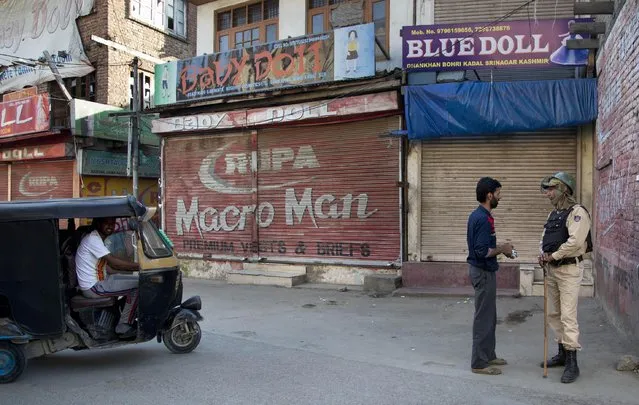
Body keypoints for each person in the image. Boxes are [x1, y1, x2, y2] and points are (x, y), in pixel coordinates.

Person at [538, 172, 591, 384]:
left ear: (564, 190)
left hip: (569, 270)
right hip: (552, 270)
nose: (548, 193)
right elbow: (544, 238)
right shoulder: (553, 214)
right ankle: (561, 353)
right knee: (553, 313)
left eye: (551, 189)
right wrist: (542, 254)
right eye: (547, 189)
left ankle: (572, 362)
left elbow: (575, 243)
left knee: (568, 316)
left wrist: (554, 255)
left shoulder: (577, 213)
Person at [466, 177, 515, 375]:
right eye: (498, 193)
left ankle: (489, 354)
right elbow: (481, 252)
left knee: (490, 317)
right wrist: (502, 249)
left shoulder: (481, 216)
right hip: (483, 272)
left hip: (486, 271)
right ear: (489, 195)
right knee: (483, 319)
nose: (500, 197)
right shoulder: (482, 218)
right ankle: (479, 362)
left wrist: (500, 248)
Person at [75, 217, 140, 337]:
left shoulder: (98, 239)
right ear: (99, 223)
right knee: (139, 286)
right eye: (106, 223)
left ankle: (121, 316)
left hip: (100, 282)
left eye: (112, 223)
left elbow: (108, 268)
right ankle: (124, 326)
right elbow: (114, 262)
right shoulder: (92, 240)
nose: (110, 226)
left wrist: (125, 274)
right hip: (93, 287)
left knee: (137, 280)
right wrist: (141, 266)